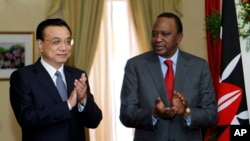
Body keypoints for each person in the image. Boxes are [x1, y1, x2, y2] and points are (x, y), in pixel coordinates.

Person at [119, 12, 217, 141]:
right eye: (154, 34)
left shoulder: (199, 67)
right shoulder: (136, 66)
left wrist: (185, 112)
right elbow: (126, 115)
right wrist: (154, 113)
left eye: (165, 34)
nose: (158, 39)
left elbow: (211, 115)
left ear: (179, 37)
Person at [9, 18, 102, 141]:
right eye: (56, 42)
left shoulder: (78, 75)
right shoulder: (23, 77)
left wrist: (83, 100)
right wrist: (68, 105)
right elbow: (27, 118)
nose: (64, 47)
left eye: (68, 41)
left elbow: (94, 121)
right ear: (40, 44)